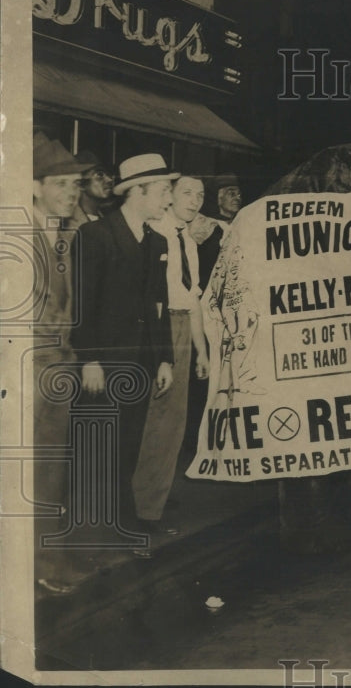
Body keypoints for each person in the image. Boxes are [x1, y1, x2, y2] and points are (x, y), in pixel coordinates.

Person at [71, 153, 177, 556]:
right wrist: (90, 359)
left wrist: (165, 358)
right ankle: (90, 535)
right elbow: (83, 303)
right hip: (103, 363)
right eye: (164, 190)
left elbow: (159, 303)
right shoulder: (96, 237)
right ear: (138, 191)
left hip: (140, 363)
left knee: (127, 444)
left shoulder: (158, 241)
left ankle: (119, 524)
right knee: (97, 446)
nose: (167, 199)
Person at [131, 176, 211, 535]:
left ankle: (153, 500)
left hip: (181, 329)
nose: (195, 201)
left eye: (200, 196)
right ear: (170, 197)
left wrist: (201, 352)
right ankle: (141, 506)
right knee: (154, 420)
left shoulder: (187, 240)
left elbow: (192, 300)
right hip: (158, 329)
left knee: (173, 425)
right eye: (186, 194)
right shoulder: (155, 232)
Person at [30, 132, 90, 594]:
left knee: (50, 468)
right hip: (30, 369)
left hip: (56, 367)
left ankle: (47, 559)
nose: (73, 193)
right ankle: (43, 565)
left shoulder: (63, 234)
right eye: (62, 184)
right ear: (35, 186)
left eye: (76, 185)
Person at [192, 173, 241, 290]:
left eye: (239, 194)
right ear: (219, 198)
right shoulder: (204, 225)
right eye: (231, 193)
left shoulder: (240, 225)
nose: (237, 198)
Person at [70, 150, 115, 226]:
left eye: (108, 174)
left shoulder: (108, 219)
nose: (109, 180)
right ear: (81, 184)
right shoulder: (68, 223)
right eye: (100, 175)